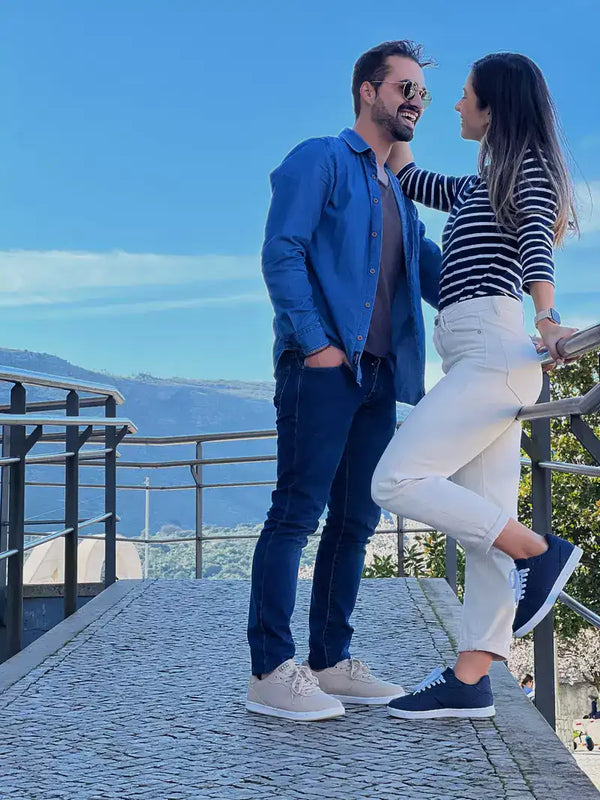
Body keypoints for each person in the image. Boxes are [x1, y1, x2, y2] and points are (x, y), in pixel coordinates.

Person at [370, 52, 583, 720]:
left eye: (463, 96)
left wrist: (547, 316)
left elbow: (535, 246)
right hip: (474, 356)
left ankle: (538, 552)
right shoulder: (476, 185)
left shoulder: (528, 169)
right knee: (482, 525)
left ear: (493, 106)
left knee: (395, 480)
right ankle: (470, 679)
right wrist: (400, 107)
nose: (455, 106)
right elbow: (408, 177)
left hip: (494, 351)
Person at [246, 40, 442, 721]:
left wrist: (511, 309)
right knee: (297, 512)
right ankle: (271, 669)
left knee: (357, 519)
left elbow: (434, 273)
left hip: (380, 378)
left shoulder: (402, 196)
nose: (417, 101)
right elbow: (282, 252)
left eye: (422, 92)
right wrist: (318, 346)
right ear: (368, 91)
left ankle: (331, 661)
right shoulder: (321, 159)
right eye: (405, 87)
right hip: (324, 370)